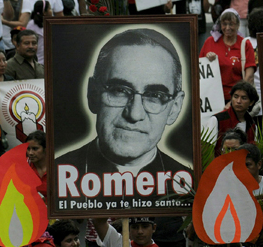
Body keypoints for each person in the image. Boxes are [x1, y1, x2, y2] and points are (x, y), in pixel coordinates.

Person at [56, 29, 191, 207]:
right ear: (93, 94)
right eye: (119, 91)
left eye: (155, 95)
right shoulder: (57, 176)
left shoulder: (187, 186)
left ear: (175, 108)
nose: (134, 114)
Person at [200, 9, 256, 100]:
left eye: (231, 24)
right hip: (212, 98)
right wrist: (207, 60)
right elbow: (200, 71)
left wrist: (237, 99)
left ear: (238, 25)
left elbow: (249, 77)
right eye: (224, 24)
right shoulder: (210, 42)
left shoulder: (245, 44)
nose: (227, 27)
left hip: (236, 98)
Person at [26, 130, 47, 198]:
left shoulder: (58, 166)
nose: (30, 153)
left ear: (46, 149)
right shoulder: (23, 165)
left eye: (35, 149)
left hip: (53, 206)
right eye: (28, 149)